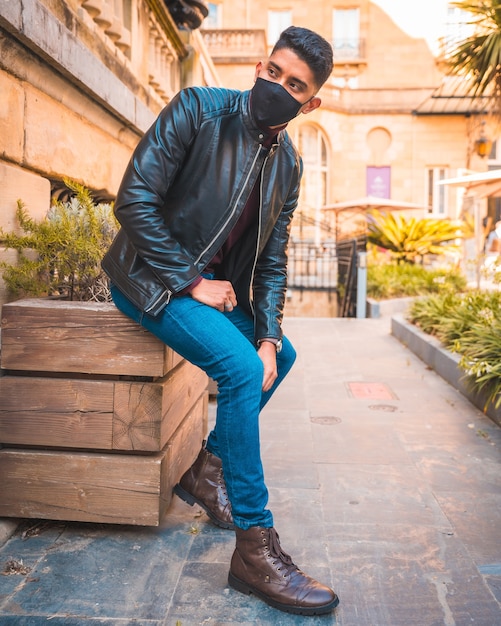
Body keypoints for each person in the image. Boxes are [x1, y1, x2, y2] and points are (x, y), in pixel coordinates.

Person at [102, 26, 338, 616]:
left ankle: (208, 472)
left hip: (214, 295)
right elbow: (132, 200)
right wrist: (191, 280)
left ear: (311, 103)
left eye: (295, 86)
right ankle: (255, 550)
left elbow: (275, 259)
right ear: (260, 65)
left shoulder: (288, 163)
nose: (277, 87)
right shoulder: (198, 110)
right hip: (151, 280)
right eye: (274, 73)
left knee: (275, 358)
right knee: (237, 372)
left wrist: (268, 333)